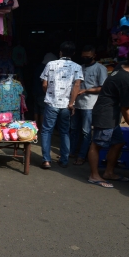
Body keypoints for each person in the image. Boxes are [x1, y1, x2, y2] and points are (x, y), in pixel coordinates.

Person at [87, 46, 129, 188]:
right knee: (96, 145)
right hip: (105, 115)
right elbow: (126, 110)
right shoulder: (127, 79)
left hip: (111, 115)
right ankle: (94, 175)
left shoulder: (122, 66)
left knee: (118, 143)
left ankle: (109, 172)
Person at [39, 41, 84, 169]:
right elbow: (77, 86)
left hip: (51, 103)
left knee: (47, 131)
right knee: (65, 132)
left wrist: (49, 95)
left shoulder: (50, 64)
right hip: (66, 105)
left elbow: (44, 84)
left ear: (60, 52)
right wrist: (71, 103)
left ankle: (46, 160)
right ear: (73, 53)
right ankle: (64, 160)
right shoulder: (77, 67)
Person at [70, 45, 108, 165]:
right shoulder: (80, 67)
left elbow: (102, 88)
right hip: (77, 104)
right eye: (83, 56)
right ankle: (71, 152)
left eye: (88, 56)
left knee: (86, 132)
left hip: (90, 104)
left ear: (93, 56)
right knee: (73, 129)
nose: (85, 58)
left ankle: (82, 156)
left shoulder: (100, 69)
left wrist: (86, 91)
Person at [34, 45, 58, 133]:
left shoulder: (38, 67)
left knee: (36, 110)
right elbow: (44, 84)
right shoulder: (46, 68)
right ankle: (42, 129)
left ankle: (36, 127)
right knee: (42, 111)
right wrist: (47, 92)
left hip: (35, 91)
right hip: (42, 92)